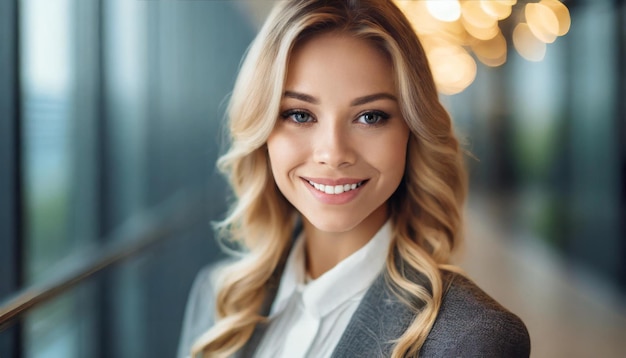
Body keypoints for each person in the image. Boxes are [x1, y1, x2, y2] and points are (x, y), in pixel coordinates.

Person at [178, 0, 531, 357]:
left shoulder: (472, 338)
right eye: (300, 115)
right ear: (263, 130)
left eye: (370, 117)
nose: (333, 153)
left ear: (412, 130)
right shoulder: (217, 298)